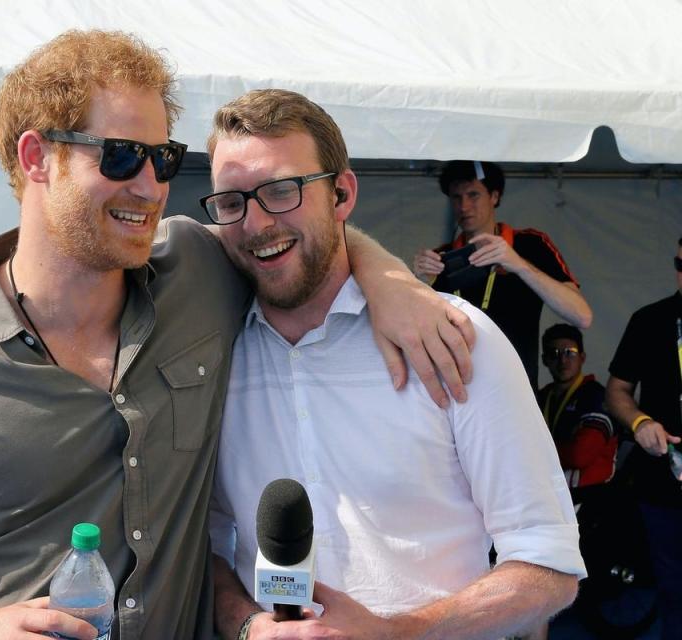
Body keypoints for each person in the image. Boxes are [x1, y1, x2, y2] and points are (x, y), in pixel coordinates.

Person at [0, 30, 475, 640]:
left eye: (163, 157)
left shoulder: (199, 269)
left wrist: (392, 282)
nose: (153, 185)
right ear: (38, 157)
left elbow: (293, 232)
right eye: (124, 156)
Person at [206, 89, 585, 640]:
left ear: (342, 194)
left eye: (283, 191)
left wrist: (399, 632)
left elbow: (548, 564)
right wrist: (246, 626)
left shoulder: (454, 339)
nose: (256, 222)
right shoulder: (209, 356)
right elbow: (210, 547)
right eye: (231, 202)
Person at [414, 160, 592, 387]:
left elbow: (582, 315)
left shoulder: (530, 244)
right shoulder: (440, 258)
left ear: (495, 197)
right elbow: (412, 333)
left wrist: (518, 264)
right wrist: (418, 283)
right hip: (458, 394)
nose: (464, 206)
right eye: (456, 198)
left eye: (473, 195)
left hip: (516, 392)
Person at [606, 237, 682, 638]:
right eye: (680, 264)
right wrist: (639, 423)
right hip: (664, 478)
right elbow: (616, 391)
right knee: (672, 588)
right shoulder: (650, 320)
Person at [536, 323, 616, 493]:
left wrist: (536, 448)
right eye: (554, 354)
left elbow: (580, 455)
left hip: (591, 497)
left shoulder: (597, 396)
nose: (562, 361)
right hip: (547, 494)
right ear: (544, 360)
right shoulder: (539, 397)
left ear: (582, 357)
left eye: (569, 353)